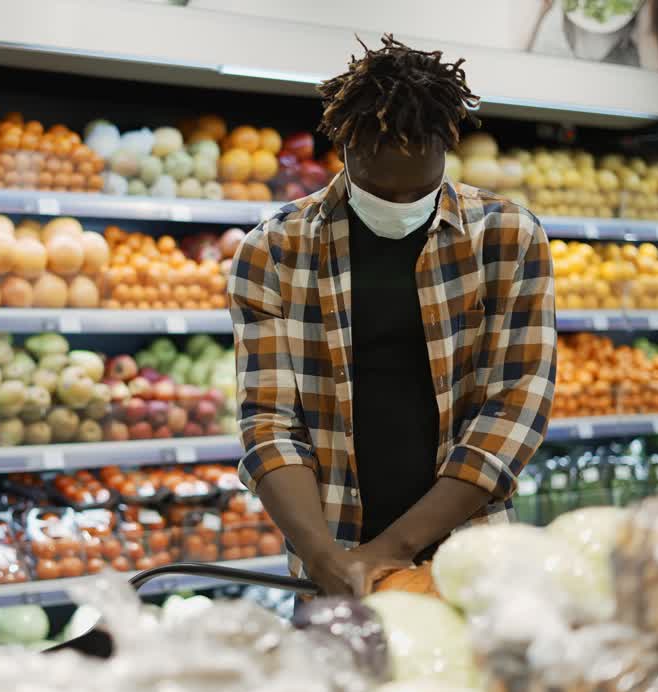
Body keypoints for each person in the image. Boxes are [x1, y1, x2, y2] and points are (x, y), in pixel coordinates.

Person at [228, 35, 556, 597]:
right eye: (381, 191)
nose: (400, 207)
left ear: (445, 153)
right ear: (345, 151)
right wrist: (323, 556)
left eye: (419, 192)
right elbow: (270, 424)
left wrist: (389, 551)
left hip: (470, 557)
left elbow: (513, 408)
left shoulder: (507, 236)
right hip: (330, 558)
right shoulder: (274, 249)